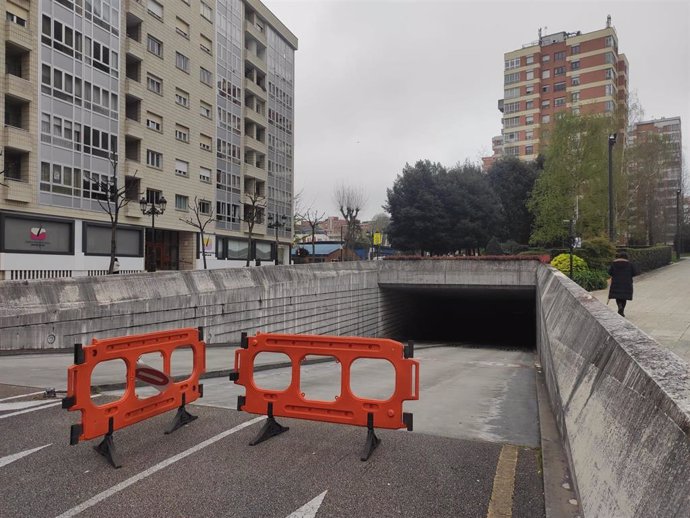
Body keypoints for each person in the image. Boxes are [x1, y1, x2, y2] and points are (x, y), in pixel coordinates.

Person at [608, 251, 638, 317]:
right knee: (624, 297)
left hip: (616, 282)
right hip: (627, 283)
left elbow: (609, 272)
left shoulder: (614, 263)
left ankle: (619, 306)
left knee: (617, 296)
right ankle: (622, 310)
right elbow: (635, 273)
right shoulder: (630, 264)